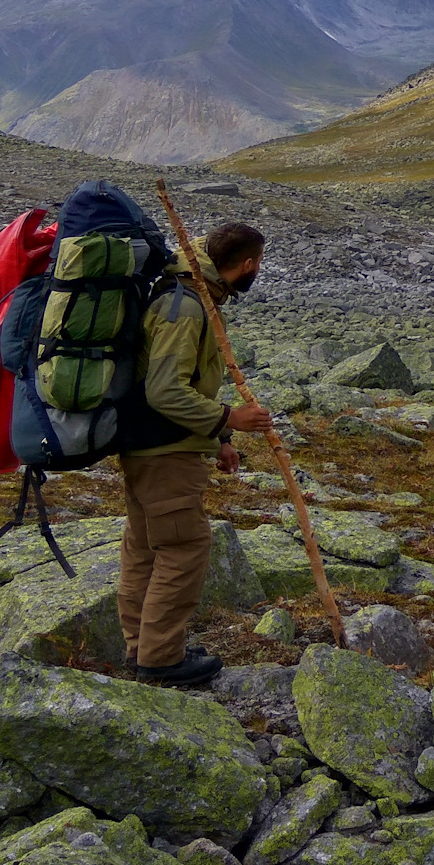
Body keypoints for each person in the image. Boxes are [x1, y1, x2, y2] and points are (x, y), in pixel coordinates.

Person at [118, 221, 272, 685]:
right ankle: (161, 660)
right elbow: (165, 391)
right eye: (257, 264)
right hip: (165, 451)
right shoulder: (185, 307)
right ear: (245, 264)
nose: (257, 271)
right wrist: (228, 419)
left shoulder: (191, 294)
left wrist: (221, 441)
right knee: (184, 548)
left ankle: (141, 648)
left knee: (145, 548)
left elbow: (188, 383)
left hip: (150, 445)